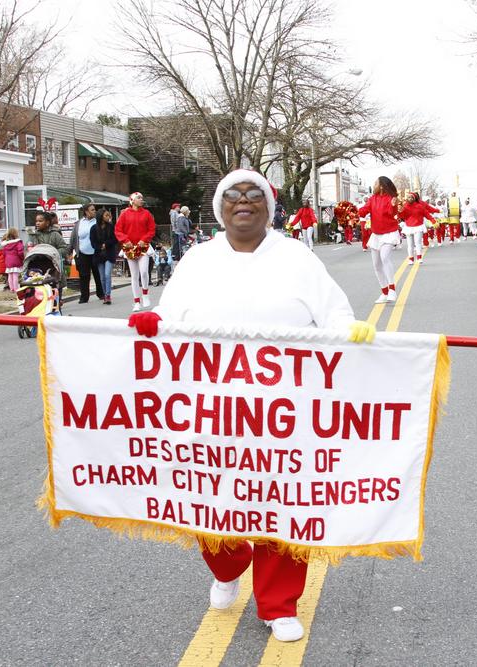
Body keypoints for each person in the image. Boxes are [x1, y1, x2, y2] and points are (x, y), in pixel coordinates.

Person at [128, 168, 374, 644]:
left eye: (254, 194)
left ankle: (279, 604)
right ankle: (227, 566)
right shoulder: (198, 259)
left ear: (269, 205)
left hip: (285, 412)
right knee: (212, 505)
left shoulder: (297, 257)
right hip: (212, 411)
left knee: (282, 506)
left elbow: (334, 312)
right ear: (220, 208)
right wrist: (150, 320)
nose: (244, 202)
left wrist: (349, 328)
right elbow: (167, 313)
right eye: (233, 196)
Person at [358, 176, 401, 303]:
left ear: (381, 186)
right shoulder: (372, 199)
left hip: (389, 233)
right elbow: (364, 210)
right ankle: (384, 292)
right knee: (376, 265)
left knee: (385, 258)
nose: (374, 185)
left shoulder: (390, 199)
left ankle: (392, 290)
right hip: (376, 234)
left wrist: (394, 205)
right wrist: (357, 211)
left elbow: (392, 213)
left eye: (375, 183)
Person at [115, 192, 156, 311]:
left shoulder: (146, 214)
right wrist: (125, 240)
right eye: (139, 198)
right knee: (134, 275)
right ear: (132, 200)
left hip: (143, 246)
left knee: (144, 272)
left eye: (142, 198)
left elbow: (151, 229)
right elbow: (118, 230)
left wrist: (145, 239)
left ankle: (145, 293)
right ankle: (136, 301)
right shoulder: (124, 214)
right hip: (129, 247)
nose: (141, 199)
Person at [71, 204, 105, 303]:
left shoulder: (98, 222)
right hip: (82, 253)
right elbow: (73, 238)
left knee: (98, 274)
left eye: (95, 210)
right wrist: (70, 250)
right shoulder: (79, 223)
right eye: (92, 210)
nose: (95, 211)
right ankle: (84, 297)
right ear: (86, 212)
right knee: (84, 275)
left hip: (96, 252)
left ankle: (101, 294)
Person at [29, 211, 70, 292]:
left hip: (53, 265)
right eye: (36, 221)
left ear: (47, 223)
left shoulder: (55, 234)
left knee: (55, 286)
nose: (37, 223)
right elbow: (29, 248)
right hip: (38, 265)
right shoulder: (33, 236)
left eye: (40, 221)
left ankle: (58, 300)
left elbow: (64, 248)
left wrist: (52, 253)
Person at [90, 208, 118, 305]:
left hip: (109, 254)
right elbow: (92, 242)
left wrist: (106, 244)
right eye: (106, 215)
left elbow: (115, 239)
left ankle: (108, 295)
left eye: (108, 215)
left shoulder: (111, 227)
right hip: (99, 255)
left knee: (107, 274)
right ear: (101, 216)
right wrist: (99, 246)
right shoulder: (93, 228)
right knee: (102, 277)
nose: (108, 217)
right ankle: (104, 293)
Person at [400, 191, 435, 264]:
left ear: (414, 198)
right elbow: (402, 216)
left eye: (411, 197)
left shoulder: (419, 206)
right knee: (410, 244)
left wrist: (433, 221)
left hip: (418, 226)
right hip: (409, 227)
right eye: (408, 197)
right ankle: (411, 259)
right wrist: (399, 211)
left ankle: (419, 257)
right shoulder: (405, 206)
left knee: (418, 243)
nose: (410, 198)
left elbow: (427, 214)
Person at [0, 228, 25, 293]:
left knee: (10, 275)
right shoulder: (18, 242)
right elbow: (20, 252)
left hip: (8, 261)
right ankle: (16, 289)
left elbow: (4, 253)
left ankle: (12, 289)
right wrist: (22, 258)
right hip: (16, 260)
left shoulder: (5, 244)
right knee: (15, 275)